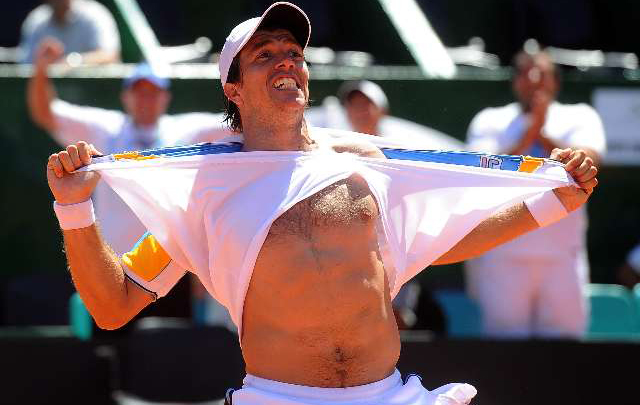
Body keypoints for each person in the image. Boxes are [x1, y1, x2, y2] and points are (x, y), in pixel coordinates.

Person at [45, 3, 598, 404]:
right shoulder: (203, 190)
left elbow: (444, 243)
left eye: (294, 53)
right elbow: (112, 306)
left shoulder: (365, 161)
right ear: (233, 89)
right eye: (265, 55)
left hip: (389, 396)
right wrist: (74, 209)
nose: (286, 62)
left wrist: (554, 203)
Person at [28, 40, 232, 255]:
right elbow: (45, 113)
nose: (146, 99)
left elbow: (241, 125)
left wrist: (233, 72)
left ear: (165, 98)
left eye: (153, 92)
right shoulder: (105, 128)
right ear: (126, 97)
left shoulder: (187, 129)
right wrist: (41, 68)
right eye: (139, 92)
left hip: (171, 264)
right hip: (112, 262)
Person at [464, 48, 606, 339]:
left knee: (564, 348)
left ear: (555, 80)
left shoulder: (580, 116)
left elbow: (591, 160)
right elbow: (480, 171)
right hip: (502, 253)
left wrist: (542, 134)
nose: (533, 79)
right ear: (515, 81)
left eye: (541, 72)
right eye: (525, 72)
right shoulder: (488, 120)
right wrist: (531, 132)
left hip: (561, 256)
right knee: (503, 347)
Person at [305, 79, 464, 151]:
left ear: (382, 111)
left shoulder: (403, 141)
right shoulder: (335, 142)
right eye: (355, 105)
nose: (360, 111)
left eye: (366, 105)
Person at [18, 0, 121, 65]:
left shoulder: (95, 14)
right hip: (50, 90)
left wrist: (73, 62)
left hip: (94, 90)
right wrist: (44, 61)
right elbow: (27, 64)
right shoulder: (36, 20)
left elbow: (110, 56)